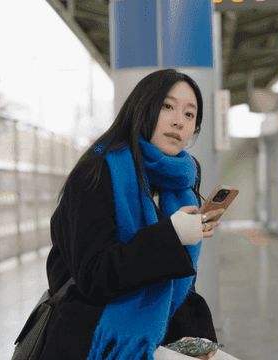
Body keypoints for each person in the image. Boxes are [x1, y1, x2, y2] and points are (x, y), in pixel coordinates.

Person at [41, 69, 231, 360]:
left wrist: (190, 333)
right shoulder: (97, 173)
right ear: (142, 109)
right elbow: (93, 276)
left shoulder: (180, 182)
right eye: (167, 106)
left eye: (190, 114)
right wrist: (172, 235)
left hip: (160, 329)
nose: (179, 121)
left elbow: (175, 287)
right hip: (95, 333)